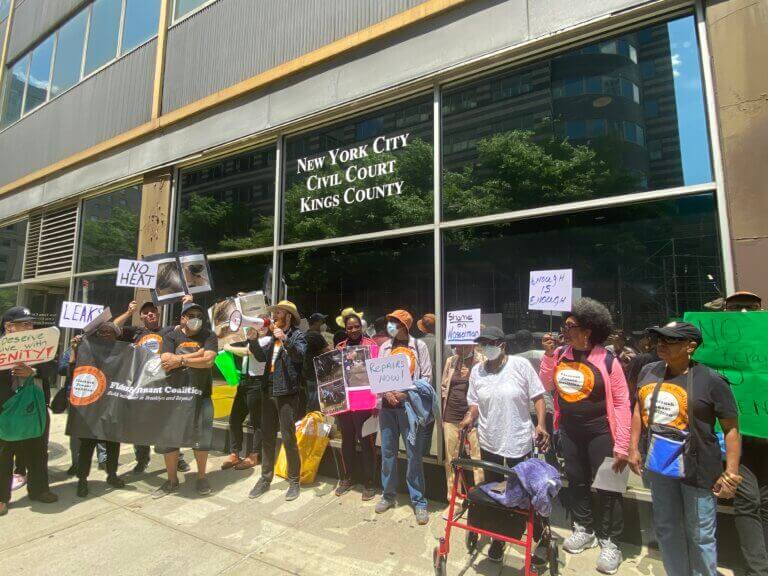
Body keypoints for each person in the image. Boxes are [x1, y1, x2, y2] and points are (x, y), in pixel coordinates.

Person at [627, 321, 741, 576]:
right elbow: (638, 409)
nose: (661, 344)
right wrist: (633, 447)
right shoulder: (648, 371)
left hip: (698, 470)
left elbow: (731, 429)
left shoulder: (711, 380)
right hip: (659, 466)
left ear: (690, 346)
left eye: (670, 340)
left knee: (700, 533)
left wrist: (730, 472)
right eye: (659, 339)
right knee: (667, 527)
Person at [540, 297, 631, 575]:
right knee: (577, 481)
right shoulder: (559, 355)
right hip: (569, 429)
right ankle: (585, 528)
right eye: (565, 325)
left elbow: (621, 402)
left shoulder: (607, 359)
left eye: (570, 325)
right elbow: (545, 384)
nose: (563, 330)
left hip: (601, 432)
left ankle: (610, 541)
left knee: (608, 487)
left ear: (587, 331)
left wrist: (623, 444)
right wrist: (547, 356)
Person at [459, 326, 550, 562]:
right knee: (495, 494)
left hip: (519, 441)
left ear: (502, 345)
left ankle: (538, 533)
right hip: (490, 442)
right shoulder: (477, 372)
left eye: (490, 342)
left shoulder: (520, 366)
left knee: (523, 493)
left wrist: (541, 424)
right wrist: (470, 417)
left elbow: (538, 397)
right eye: (482, 343)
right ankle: (499, 539)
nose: (486, 347)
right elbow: (475, 403)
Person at [722, 292, 768, 576]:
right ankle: (757, 570)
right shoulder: (712, 348)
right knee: (748, 499)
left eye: (749, 308)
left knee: (765, 502)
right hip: (736, 441)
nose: (743, 313)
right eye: (735, 308)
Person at [153, 302, 218, 498]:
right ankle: (171, 480)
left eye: (199, 314)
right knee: (170, 440)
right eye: (190, 315)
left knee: (201, 439)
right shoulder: (171, 336)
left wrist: (180, 360)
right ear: (182, 318)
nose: (195, 318)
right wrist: (197, 355)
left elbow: (209, 361)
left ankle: (201, 477)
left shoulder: (209, 335)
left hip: (201, 396)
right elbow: (165, 361)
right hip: (174, 396)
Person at [375, 309, 433, 525]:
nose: (391, 326)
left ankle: (419, 501)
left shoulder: (420, 346)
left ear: (405, 326)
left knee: (413, 455)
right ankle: (388, 495)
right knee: (388, 453)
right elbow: (379, 375)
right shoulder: (384, 347)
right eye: (390, 322)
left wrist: (406, 392)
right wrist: (388, 393)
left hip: (409, 409)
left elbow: (426, 376)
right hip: (387, 409)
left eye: (395, 323)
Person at [0, 306, 58, 516]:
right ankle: (1, 498)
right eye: (24, 323)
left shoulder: (40, 344)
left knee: (38, 451)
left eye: (30, 323)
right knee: (4, 454)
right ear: (9, 327)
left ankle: (39, 490)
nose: (29, 327)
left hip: (36, 409)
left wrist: (33, 371)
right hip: (6, 409)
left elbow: (53, 366)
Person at [247, 300, 307, 502]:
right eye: (274, 314)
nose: (274, 317)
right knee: (267, 437)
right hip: (268, 390)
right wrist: (253, 341)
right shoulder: (272, 338)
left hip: (287, 393)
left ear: (288, 316)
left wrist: (286, 340)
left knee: (289, 438)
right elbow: (261, 358)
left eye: (278, 313)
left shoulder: (297, 336)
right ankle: (265, 479)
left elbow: (300, 356)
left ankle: (294, 481)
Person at [73, 321, 127, 498]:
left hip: (113, 405)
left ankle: (112, 475)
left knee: (113, 443)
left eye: (109, 332)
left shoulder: (123, 353)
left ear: (116, 335)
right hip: (91, 406)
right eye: (102, 332)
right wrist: (75, 350)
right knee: (87, 445)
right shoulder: (86, 349)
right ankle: (82, 480)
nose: (105, 334)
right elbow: (68, 371)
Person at [335, 310, 379, 500]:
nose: (353, 330)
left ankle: (370, 482)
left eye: (356, 326)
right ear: (345, 329)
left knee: (367, 443)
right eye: (349, 327)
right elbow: (333, 375)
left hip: (365, 402)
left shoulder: (371, 346)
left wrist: (377, 401)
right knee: (347, 441)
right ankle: (348, 477)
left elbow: (378, 374)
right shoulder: (339, 347)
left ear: (362, 327)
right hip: (345, 403)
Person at [440, 344, 484, 515]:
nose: (456, 348)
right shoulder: (451, 361)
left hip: (473, 418)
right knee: (451, 460)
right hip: (451, 415)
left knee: (477, 460)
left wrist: (472, 375)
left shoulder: (482, 361)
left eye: (460, 344)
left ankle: (480, 503)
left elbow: (487, 387)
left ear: (471, 344)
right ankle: (455, 501)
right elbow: (445, 386)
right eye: (454, 345)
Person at [221, 326, 271, 471]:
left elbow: (249, 352)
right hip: (243, 382)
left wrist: (229, 347)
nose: (257, 328)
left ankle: (254, 455)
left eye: (261, 325)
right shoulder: (248, 339)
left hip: (257, 383)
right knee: (234, 418)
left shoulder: (267, 340)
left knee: (257, 422)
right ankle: (234, 453)